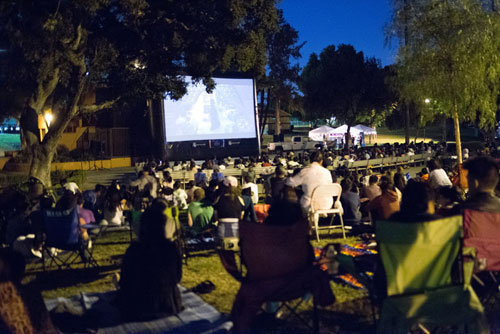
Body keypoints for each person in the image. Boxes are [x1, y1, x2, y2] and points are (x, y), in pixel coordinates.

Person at [118, 201, 183, 321]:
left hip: (139, 306)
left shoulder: (135, 250)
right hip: (168, 304)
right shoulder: (171, 248)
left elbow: (125, 280)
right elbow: (177, 277)